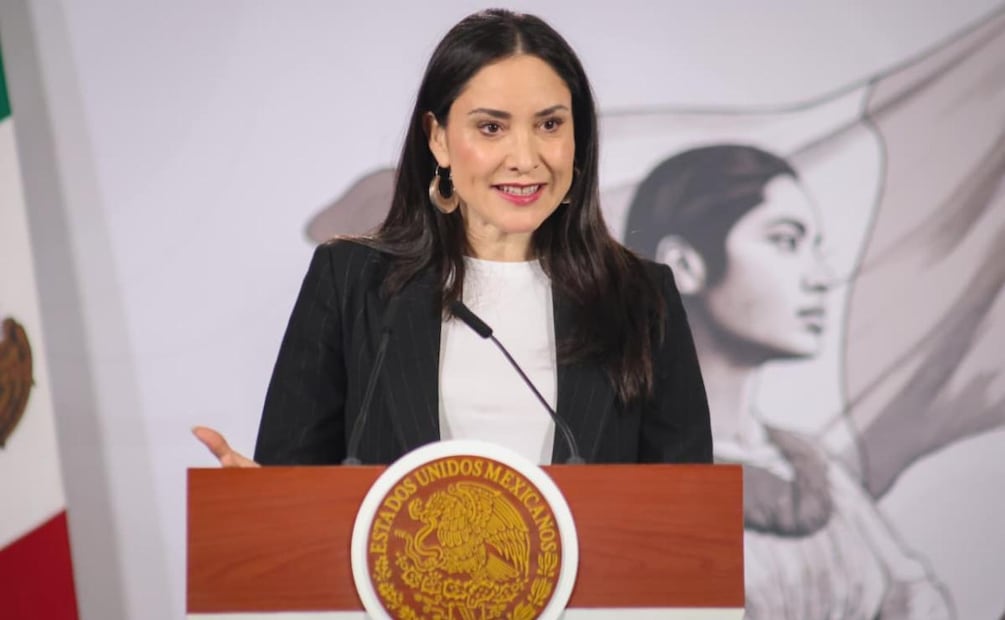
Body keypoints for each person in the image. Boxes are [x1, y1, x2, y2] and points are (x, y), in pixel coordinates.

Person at [194, 9, 712, 468]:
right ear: (438, 137)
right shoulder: (351, 281)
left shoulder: (640, 297)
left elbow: (687, 511)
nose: (525, 158)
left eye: (550, 124)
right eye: (492, 128)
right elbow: (293, 486)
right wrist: (265, 503)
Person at [625, 144, 953, 619]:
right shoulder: (626, 461)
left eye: (817, 248)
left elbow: (915, 597)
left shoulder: (812, 467)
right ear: (683, 265)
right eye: (785, 241)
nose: (821, 276)